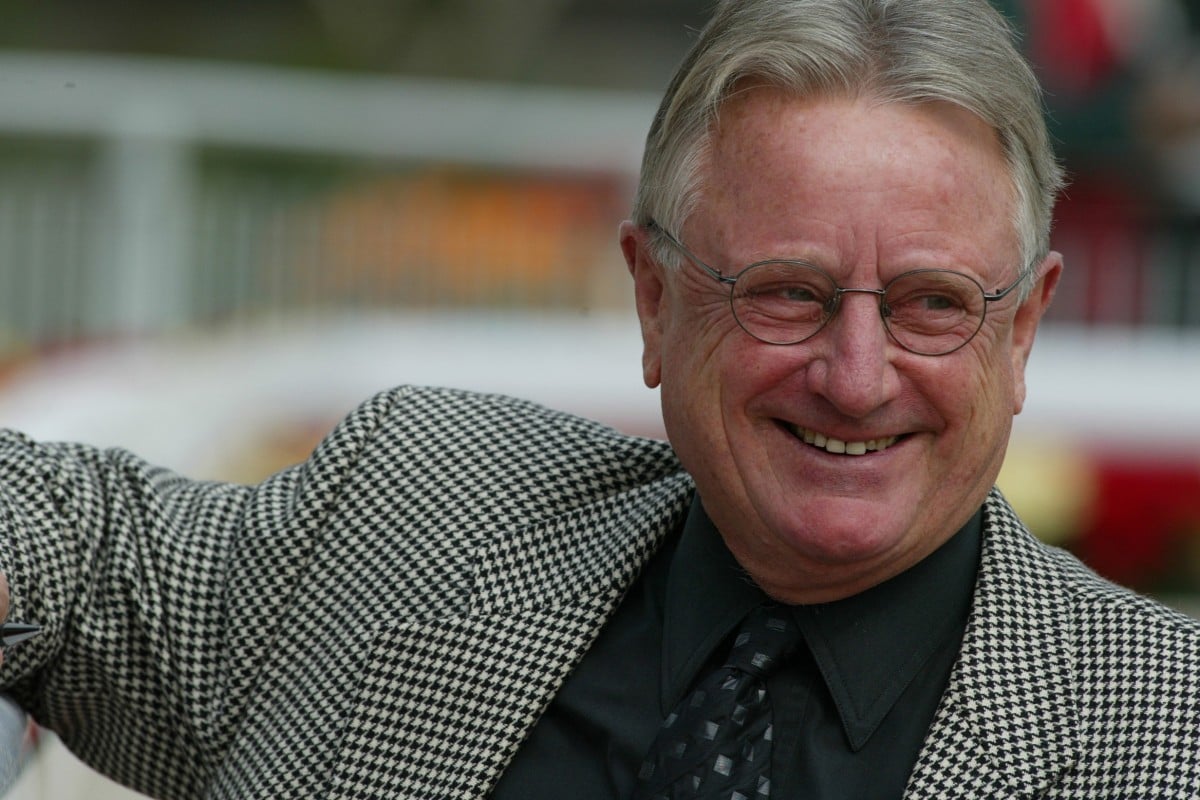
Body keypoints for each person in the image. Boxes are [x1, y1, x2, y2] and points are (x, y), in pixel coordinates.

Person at [0, 0, 1197, 798]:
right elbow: (70, 533)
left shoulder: (1163, 732)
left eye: (935, 303)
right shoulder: (419, 512)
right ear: (653, 297)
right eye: (786, 292)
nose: (856, 370)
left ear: (1026, 325)